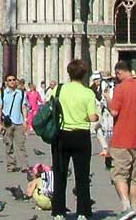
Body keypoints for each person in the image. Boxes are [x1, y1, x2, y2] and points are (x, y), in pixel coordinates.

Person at [51, 59, 98, 220]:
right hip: (81, 136)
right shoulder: (88, 93)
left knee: (60, 174)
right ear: (84, 74)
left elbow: (49, 107)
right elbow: (92, 117)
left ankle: (58, 212)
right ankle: (83, 212)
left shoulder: (58, 90)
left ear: (69, 73)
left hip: (61, 135)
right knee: (82, 176)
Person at [108, 61, 136, 218]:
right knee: (135, 178)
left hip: (121, 139)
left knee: (119, 175)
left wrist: (107, 99)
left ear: (119, 72)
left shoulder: (120, 88)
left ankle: (126, 206)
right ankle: (135, 211)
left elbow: (113, 112)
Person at [0, 74, 28, 172]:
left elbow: (23, 107)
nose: (12, 81)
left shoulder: (21, 93)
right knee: (8, 145)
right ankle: (11, 165)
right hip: (7, 123)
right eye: (9, 80)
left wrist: (25, 120)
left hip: (18, 122)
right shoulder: (2, 93)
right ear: (6, 82)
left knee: (21, 145)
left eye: (14, 79)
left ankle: (24, 166)